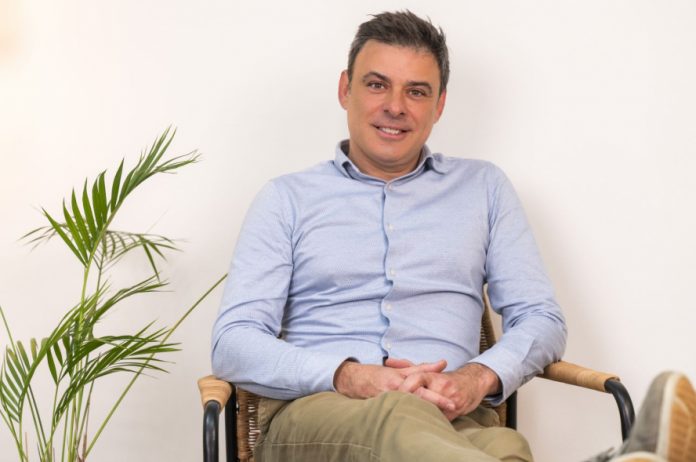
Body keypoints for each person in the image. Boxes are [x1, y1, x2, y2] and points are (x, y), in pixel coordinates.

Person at [211, 10, 695, 461]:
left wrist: (476, 378)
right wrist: (350, 375)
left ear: (439, 105)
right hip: (318, 415)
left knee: (504, 446)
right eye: (377, 85)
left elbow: (541, 318)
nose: (395, 107)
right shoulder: (285, 199)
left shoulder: (484, 189)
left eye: (417, 92)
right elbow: (233, 342)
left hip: (456, 421)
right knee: (397, 414)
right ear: (345, 90)